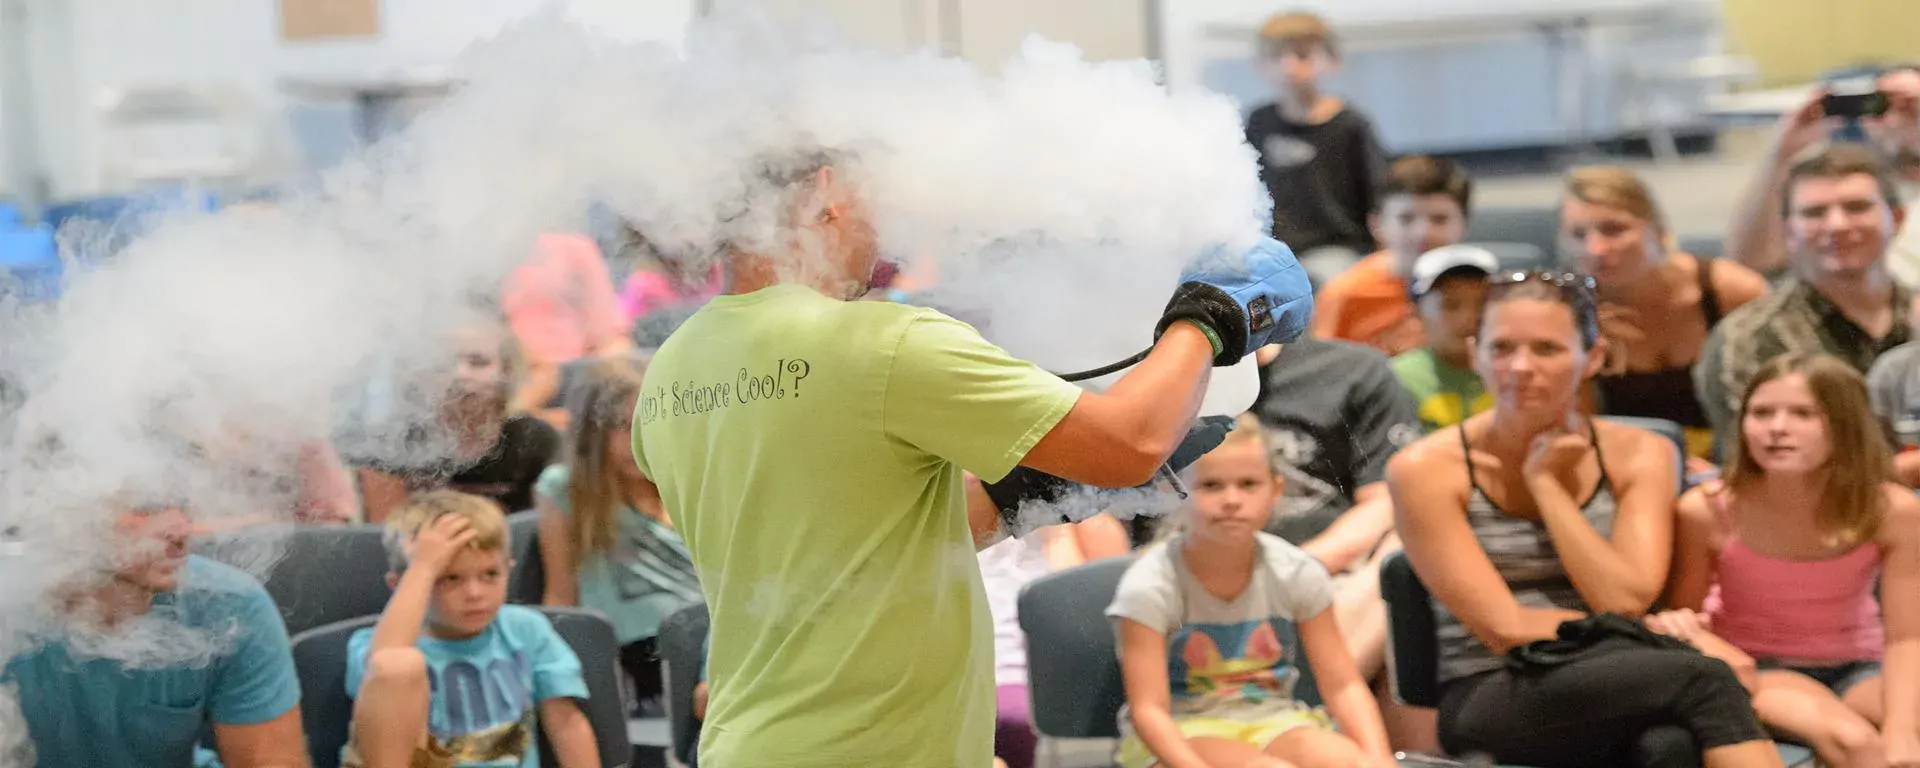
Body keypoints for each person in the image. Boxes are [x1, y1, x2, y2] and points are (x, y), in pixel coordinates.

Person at [630, 150, 1314, 767]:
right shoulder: (879, 342)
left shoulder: (670, 370)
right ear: (825, 193)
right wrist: (1213, 315)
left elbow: (869, 533)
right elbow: (1132, 442)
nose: (885, 237)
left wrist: (1038, 485)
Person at [1389, 269, 1784, 767]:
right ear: (1475, 354)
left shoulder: (1643, 452)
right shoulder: (1425, 469)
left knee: (1668, 748)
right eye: (1502, 348)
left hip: (1622, 672)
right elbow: (1504, 627)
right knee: (1705, 678)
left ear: (1592, 357)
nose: (1521, 367)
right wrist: (1652, 637)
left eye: (1547, 350)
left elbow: (1623, 596)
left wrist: (1549, 489)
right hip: (1492, 686)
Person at [1654, 353, 1920, 768]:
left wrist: (1903, 731)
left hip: (1859, 663)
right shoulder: (1706, 510)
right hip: (1759, 666)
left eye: (1803, 414)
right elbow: (1685, 612)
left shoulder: (1894, 510)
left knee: (1905, 743)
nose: (1777, 428)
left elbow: (1908, 636)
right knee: (1852, 741)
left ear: (1846, 424)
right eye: (1761, 413)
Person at [1109, 415, 1394, 768]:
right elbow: (1149, 711)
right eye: (1211, 485)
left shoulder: (1296, 571)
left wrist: (1380, 761)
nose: (1232, 500)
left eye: (1248, 484)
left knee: (1349, 762)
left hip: (1277, 722)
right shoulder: (1151, 584)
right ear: (1174, 491)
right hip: (1180, 733)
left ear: (1275, 490)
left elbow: (1343, 685)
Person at [2, 500, 307, 768]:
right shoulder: (11, 608)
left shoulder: (230, 606)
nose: (179, 529)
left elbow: (271, 761)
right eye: (144, 507)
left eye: (181, 504)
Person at [1247, 336, 1429, 749]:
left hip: (1330, 579)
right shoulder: (1147, 379)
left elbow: (1387, 501)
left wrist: (1297, 567)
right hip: (1190, 578)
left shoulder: (1353, 371)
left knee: (1412, 547)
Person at [343, 491, 597, 768]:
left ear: (508, 570)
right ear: (400, 585)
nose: (475, 593)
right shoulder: (377, 644)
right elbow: (387, 666)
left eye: (490, 574)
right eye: (450, 578)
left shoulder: (526, 629)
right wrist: (424, 567)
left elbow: (567, 724)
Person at [1697, 144, 1913, 458]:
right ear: (1789, 231)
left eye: (1857, 207)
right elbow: (1761, 469)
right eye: (1814, 212)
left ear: (1897, 218)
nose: (1837, 225)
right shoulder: (1746, 339)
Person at [1562, 166, 1768, 461]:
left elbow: (1779, 399)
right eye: (1578, 234)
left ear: (1658, 230)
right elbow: (1578, 430)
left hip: (1742, 460)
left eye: (1614, 229)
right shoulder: (1571, 310)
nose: (1595, 248)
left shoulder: (1733, 291)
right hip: (1627, 466)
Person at [534, 358, 700, 715]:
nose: (637, 439)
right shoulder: (567, 491)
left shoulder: (690, 480)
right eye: (622, 426)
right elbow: (560, 595)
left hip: (715, 637)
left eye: (649, 423)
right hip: (640, 658)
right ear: (592, 434)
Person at [1726, 67, 1920, 284]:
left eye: (1911, 108)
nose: (1896, 120)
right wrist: (1782, 155)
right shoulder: (1834, 185)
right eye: (1881, 106)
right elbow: (1750, 266)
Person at [358, 322, 561, 522]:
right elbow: (384, 538)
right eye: (444, 363)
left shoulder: (535, 440)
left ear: (506, 374)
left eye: (478, 362)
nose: (460, 374)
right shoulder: (392, 442)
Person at [980, 515, 1130, 768]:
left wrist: (1058, 538)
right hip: (984, 682)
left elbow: (1091, 639)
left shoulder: (1093, 530)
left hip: (1049, 687)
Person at [1244, 11, 1388, 258]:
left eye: (1302, 55)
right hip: (1271, 250)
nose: (1289, 65)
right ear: (1260, 64)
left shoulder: (1351, 124)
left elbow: (1380, 197)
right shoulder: (1258, 121)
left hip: (1339, 247)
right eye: (1276, 55)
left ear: (1332, 60)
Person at [1311, 156, 1473, 355]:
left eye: (1439, 219)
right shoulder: (1344, 294)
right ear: (1376, 224)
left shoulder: (1480, 291)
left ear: (1464, 225)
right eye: (1406, 218)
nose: (1422, 233)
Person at [502, 233, 634, 431]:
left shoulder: (573, 249)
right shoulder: (489, 251)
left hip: (572, 374)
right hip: (515, 372)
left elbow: (611, 336)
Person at [1391, 244, 1499, 433]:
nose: (1469, 317)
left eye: (1483, 303)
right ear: (1416, 312)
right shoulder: (1394, 380)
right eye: (1450, 305)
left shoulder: (1517, 372)